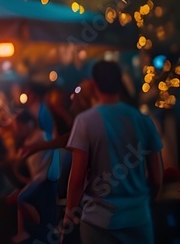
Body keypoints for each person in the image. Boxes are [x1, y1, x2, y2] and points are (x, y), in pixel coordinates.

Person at [63, 60, 164, 243]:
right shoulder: (143, 121)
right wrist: (146, 204)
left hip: (98, 224)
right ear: (120, 83)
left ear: (94, 85)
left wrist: (68, 218)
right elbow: (157, 177)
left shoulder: (85, 121)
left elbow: (77, 179)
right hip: (138, 220)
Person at [9, 111, 56, 242]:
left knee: (22, 197)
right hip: (37, 179)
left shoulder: (40, 137)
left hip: (44, 179)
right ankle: (26, 231)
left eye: (18, 126)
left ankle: (28, 231)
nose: (17, 130)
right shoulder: (29, 139)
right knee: (20, 197)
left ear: (29, 124)